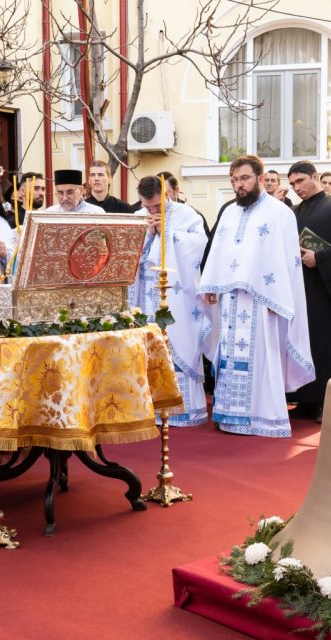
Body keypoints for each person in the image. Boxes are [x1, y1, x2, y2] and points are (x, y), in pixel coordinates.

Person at [198, 155, 313, 437]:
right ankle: (229, 415)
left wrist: (280, 298)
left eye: (245, 178)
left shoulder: (280, 212)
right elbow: (219, 250)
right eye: (235, 180)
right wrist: (211, 285)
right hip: (230, 299)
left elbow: (288, 261)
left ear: (261, 179)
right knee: (229, 357)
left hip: (262, 300)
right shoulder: (229, 212)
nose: (239, 185)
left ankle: (262, 417)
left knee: (261, 356)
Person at [132, 175, 213, 425]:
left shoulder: (187, 215)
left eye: (157, 206)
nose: (152, 211)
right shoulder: (138, 217)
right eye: (147, 207)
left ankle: (183, 410)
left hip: (178, 297)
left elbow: (198, 247)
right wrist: (148, 234)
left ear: (166, 195)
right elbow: (133, 256)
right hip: (145, 295)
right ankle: (149, 410)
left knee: (179, 342)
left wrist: (166, 232)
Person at [288, 162, 331, 421]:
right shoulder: (292, 212)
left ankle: (330, 402)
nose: (297, 188)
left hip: (327, 290)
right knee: (303, 342)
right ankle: (305, 399)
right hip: (299, 288)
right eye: (293, 183)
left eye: (301, 181)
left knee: (326, 343)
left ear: (315, 177)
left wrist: (320, 258)